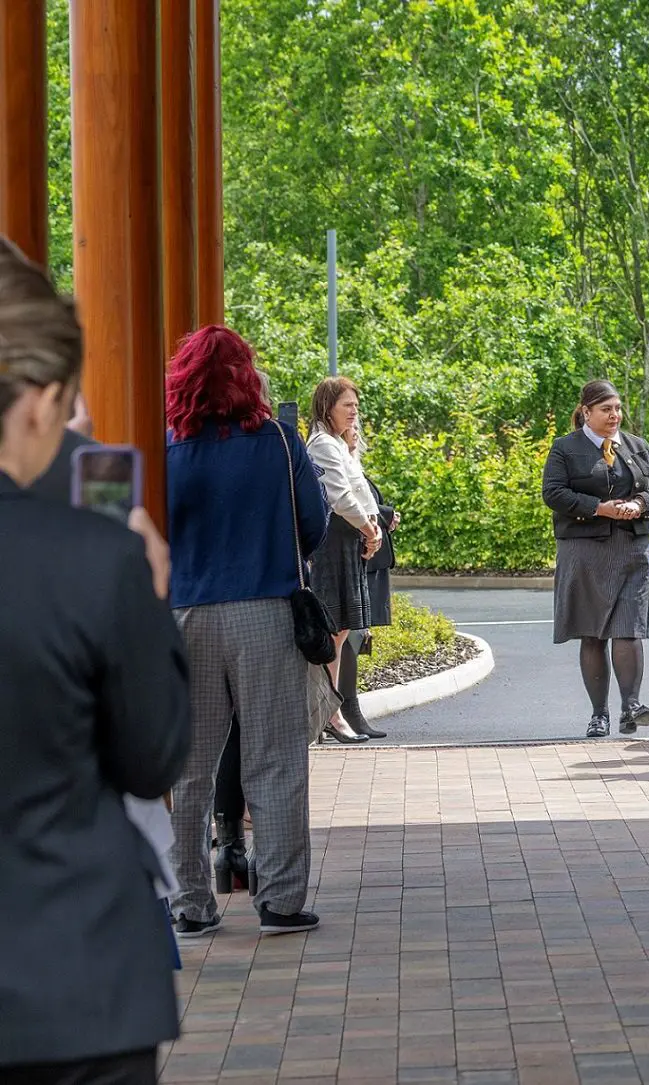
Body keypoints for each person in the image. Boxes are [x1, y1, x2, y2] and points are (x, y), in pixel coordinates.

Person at [0, 241, 190, 1085]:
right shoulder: (91, 551)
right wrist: (144, 597)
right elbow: (150, 754)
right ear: (41, 401)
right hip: (68, 979)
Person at [166, 325, 330, 938]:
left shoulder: (165, 446)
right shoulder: (280, 443)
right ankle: (281, 901)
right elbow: (312, 526)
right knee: (276, 759)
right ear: (246, 376)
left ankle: (191, 904)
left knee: (187, 766)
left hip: (186, 614)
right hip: (265, 611)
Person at [542, 379, 649, 738]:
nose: (615, 415)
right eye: (606, 409)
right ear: (586, 411)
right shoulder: (565, 448)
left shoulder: (637, 447)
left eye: (617, 408)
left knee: (629, 629)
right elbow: (553, 493)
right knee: (593, 635)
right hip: (585, 552)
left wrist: (639, 504)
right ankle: (599, 715)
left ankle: (631, 706)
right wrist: (599, 509)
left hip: (631, 551)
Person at [305, 377, 384, 743]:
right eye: (346, 405)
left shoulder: (338, 443)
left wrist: (374, 528)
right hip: (332, 542)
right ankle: (329, 713)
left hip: (348, 538)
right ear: (327, 407)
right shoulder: (321, 443)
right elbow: (340, 497)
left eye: (355, 405)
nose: (354, 412)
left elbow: (361, 489)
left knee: (340, 632)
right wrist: (369, 529)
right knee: (333, 630)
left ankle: (329, 710)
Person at [333, 421, 400, 741]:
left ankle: (347, 710)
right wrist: (380, 521)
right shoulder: (335, 463)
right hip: (353, 558)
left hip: (368, 560)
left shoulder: (356, 469)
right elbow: (345, 508)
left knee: (354, 636)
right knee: (348, 637)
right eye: (351, 426)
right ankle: (344, 710)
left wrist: (382, 519)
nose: (356, 431)